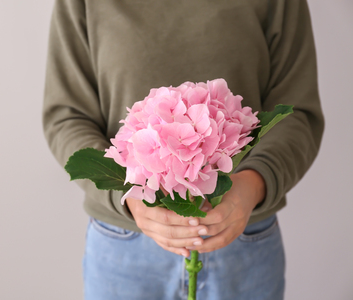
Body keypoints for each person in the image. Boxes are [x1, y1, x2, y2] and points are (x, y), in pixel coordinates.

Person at [43, 0, 324, 299]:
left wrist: (253, 186)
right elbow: (67, 116)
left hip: (242, 240)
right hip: (126, 249)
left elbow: (297, 116)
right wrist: (130, 197)